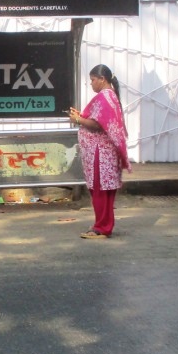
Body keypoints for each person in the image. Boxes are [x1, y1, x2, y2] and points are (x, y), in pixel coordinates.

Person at [68, 64, 131, 239]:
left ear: (102, 79)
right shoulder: (112, 96)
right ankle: (104, 225)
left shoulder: (104, 97)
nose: (91, 83)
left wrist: (78, 119)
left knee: (100, 190)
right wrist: (81, 117)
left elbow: (97, 124)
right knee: (105, 191)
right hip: (107, 152)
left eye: (93, 80)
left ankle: (101, 227)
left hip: (100, 153)